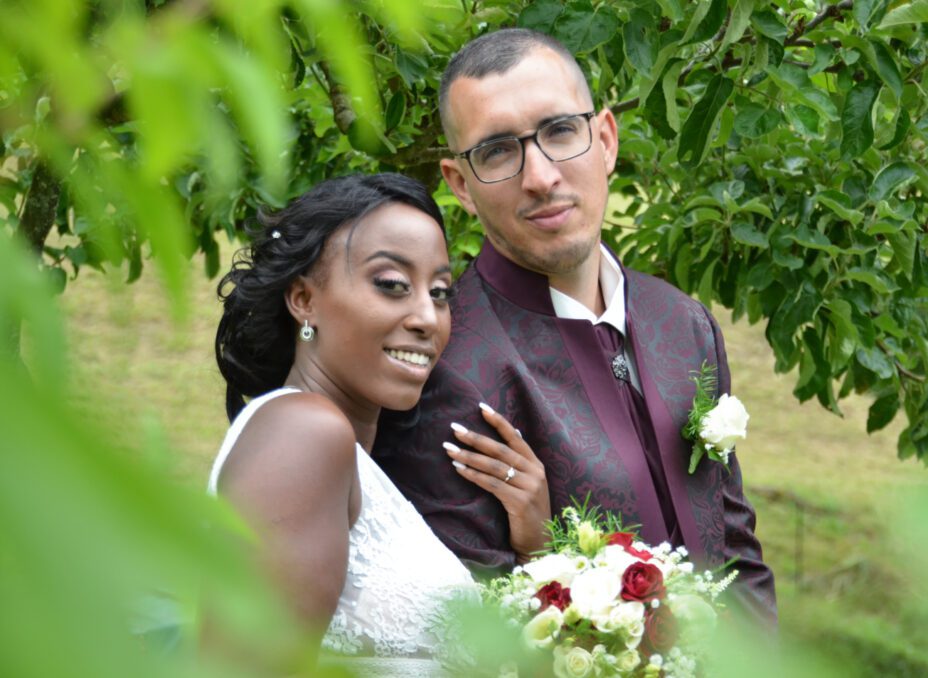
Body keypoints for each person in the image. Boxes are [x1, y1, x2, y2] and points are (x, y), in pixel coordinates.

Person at [374, 28, 777, 624]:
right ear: (460, 185)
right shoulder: (447, 368)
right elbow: (471, 635)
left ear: (606, 140)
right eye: (497, 151)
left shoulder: (685, 323)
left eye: (560, 131)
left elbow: (737, 558)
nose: (539, 177)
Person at [208, 173, 550, 673]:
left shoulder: (346, 455)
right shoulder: (304, 433)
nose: (427, 318)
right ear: (304, 300)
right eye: (391, 285)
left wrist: (535, 549)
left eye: (439, 292)